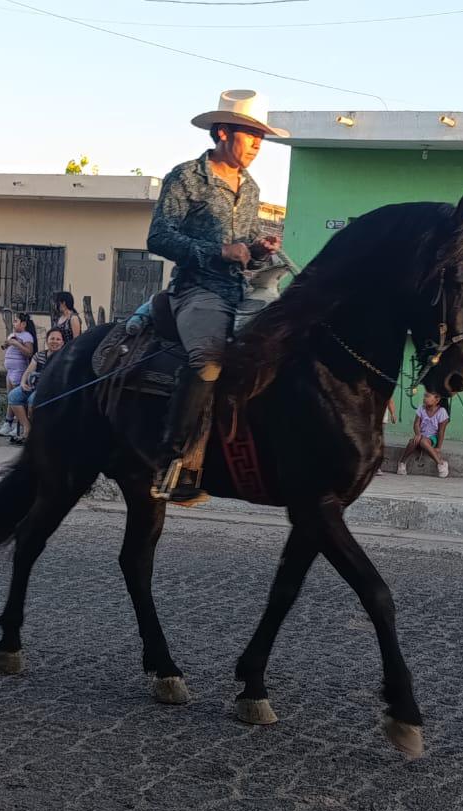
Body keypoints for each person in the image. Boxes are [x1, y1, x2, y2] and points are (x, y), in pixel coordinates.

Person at [144, 89, 289, 503]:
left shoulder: (253, 187)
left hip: (242, 292)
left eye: (262, 137)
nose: (259, 144)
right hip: (196, 291)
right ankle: (172, 459)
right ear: (223, 132)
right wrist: (218, 252)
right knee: (208, 362)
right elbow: (158, 236)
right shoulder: (187, 177)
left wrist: (256, 251)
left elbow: (243, 250)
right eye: (250, 134)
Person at [6, 327, 68, 445]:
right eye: (52, 338)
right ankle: (27, 428)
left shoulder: (64, 358)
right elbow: (28, 372)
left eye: (58, 339)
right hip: (33, 386)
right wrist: (23, 383)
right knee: (14, 396)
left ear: (63, 342)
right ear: (47, 340)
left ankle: (38, 433)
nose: (54, 341)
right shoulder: (39, 355)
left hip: (52, 390)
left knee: (33, 400)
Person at [0, 313, 38, 438]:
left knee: (18, 397)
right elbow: (7, 345)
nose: (14, 324)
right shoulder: (13, 335)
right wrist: (7, 343)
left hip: (19, 370)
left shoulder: (27, 336)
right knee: (10, 397)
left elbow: (28, 352)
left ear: (23, 324)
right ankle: (8, 422)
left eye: (16, 321)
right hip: (10, 371)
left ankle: (19, 424)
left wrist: (16, 344)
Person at [396, 390, 451, 478]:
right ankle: (402, 462)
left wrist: (438, 448)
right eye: (424, 396)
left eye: (427, 396)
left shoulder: (442, 412)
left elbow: (441, 431)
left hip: (432, 438)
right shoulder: (421, 408)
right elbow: (416, 424)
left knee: (423, 442)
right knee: (412, 442)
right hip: (421, 435)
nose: (424, 398)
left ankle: (440, 463)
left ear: (437, 400)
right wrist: (418, 434)